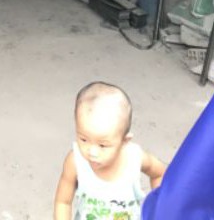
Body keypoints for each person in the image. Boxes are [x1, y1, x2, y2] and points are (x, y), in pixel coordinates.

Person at [54, 82, 167, 220]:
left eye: (102, 145)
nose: (92, 152)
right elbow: (63, 202)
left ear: (124, 141)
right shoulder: (75, 162)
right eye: (83, 139)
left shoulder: (135, 158)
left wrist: (159, 210)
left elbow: (159, 174)